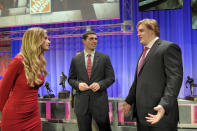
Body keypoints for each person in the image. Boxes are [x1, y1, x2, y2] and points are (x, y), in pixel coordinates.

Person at [122, 19, 183, 131]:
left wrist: (164, 105)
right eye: (138, 31)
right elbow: (138, 81)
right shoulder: (143, 53)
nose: (138, 34)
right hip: (143, 117)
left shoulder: (168, 47)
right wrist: (129, 100)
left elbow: (174, 79)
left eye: (141, 31)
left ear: (152, 30)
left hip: (161, 116)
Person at [0, 27, 50, 131]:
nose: (48, 41)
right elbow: (2, 91)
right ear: (36, 41)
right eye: (45, 38)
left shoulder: (38, 61)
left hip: (33, 115)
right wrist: (3, 114)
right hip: (15, 117)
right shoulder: (18, 61)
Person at [68, 31, 115, 131]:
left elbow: (111, 78)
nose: (94, 41)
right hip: (82, 105)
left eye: (96, 39)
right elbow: (71, 79)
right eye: (91, 39)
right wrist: (78, 84)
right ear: (84, 41)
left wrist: (100, 84)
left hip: (99, 103)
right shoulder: (75, 59)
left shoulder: (104, 58)